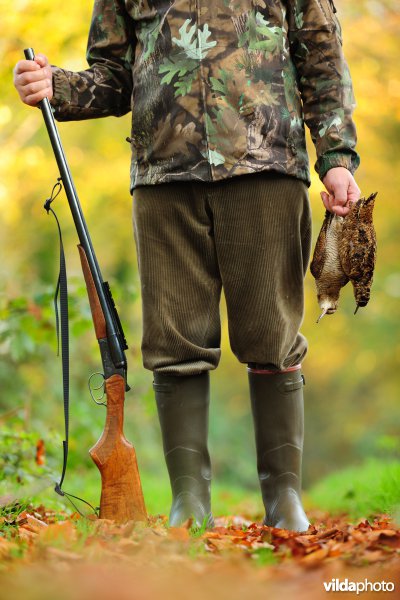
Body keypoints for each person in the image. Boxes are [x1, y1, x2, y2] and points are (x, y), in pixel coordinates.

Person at [14, 0, 360, 532]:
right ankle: (190, 503)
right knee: (173, 343)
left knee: (273, 335)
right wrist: (54, 85)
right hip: (163, 175)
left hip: (266, 164)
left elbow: (320, 55)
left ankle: (284, 499)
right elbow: (114, 76)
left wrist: (336, 158)